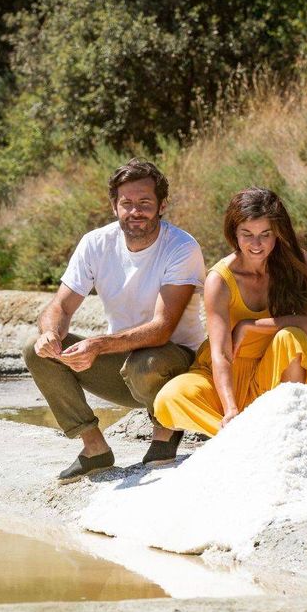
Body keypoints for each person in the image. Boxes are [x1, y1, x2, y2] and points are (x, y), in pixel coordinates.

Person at [23, 159, 207, 483]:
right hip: (123, 366)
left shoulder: (181, 247)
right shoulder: (96, 243)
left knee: (145, 362)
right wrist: (51, 334)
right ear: (114, 205)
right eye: (127, 203)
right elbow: (60, 307)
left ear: (162, 205)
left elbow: (162, 327)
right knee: (35, 350)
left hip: (174, 365)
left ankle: (166, 432)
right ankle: (94, 449)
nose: (135, 211)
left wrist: (97, 345)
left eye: (145, 203)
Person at [154, 187, 307, 437]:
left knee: (291, 337)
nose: (256, 244)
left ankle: (291, 426)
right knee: (169, 398)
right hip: (225, 377)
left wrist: (250, 324)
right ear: (234, 233)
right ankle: (239, 436)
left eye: (266, 234)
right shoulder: (219, 280)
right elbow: (221, 353)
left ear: (278, 233)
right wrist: (231, 408)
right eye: (247, 234)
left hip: (271, 372)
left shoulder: (296, 263)